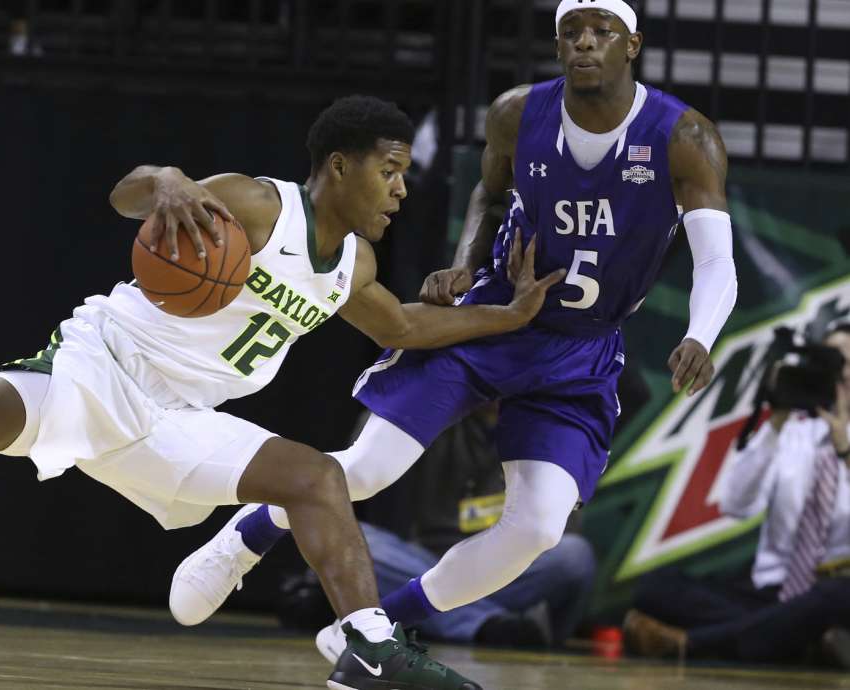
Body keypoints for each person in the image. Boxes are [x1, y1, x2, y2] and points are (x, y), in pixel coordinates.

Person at [0, 95, 568, 690]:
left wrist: (510, 315)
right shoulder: (255, 205)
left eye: (405, 173)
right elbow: (131, 194)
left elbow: (404, 329)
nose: (403, 188)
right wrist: (167, 180)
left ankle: (364, 645)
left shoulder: (354, 265)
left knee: (317, 478)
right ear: (339, 169)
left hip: (178, 418)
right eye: (391, 169)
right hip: (100, 367)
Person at [169, 0, 740, 663]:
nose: (584, 42)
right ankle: (252, 529)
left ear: (631, 44)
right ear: (557, 45)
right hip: (491, 317)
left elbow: (717, 260)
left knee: (538, 528)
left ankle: (378, 627)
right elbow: (489, 196)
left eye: (601, 30)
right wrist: (465, 265)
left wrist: (702, 332)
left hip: (579, 348)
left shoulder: (684, 137)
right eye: (570, 31)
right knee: (370, 471)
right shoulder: (517, 113)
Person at [278, 405, 598, 649]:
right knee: (358, 538)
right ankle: (483, 624)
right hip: (424, 562)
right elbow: (368, 466)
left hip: (507, 570)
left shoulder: (552, 431)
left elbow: (555, 532)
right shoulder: (439, 410)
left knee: (574, 554)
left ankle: (439, 619)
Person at [624, 324, 850, 667]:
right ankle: (798, 640)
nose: (842, 372)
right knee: (655, 588)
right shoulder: (792, 430)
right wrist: (774, 422)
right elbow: (736, 505)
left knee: (835, 595)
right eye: (833, 361)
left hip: (830, 591)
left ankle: (691, 644)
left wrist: (844, 449)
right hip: (767, 593)